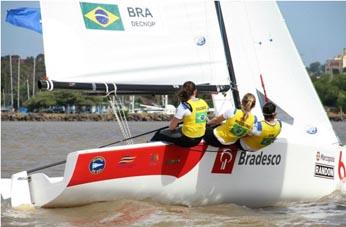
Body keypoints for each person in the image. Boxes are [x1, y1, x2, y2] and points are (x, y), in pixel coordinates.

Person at [151, 81, 209, 147]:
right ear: (195, 91)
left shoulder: (184, 106)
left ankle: (148, 151)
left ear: (183, 91)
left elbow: (171, 127)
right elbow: (200, 118)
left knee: (159, 134)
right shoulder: (203, 102)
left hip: (187, 140)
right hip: (199, 138)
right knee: (179, 129)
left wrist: (174, 127)